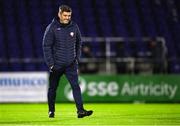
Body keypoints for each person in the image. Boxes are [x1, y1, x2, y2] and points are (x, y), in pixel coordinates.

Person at [42, 5, 93, 118]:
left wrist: (76, 59)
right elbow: (46, 46)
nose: (67, 18)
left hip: (71, 64)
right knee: (53, 88)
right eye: (65, 15)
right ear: (59, 14)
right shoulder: (52, 27)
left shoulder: (74, 26)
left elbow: (79, 43)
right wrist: (51, 64)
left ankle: (80, 111)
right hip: (56, 65)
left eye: (69, 15)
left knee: (76, 86)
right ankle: (51, 111)